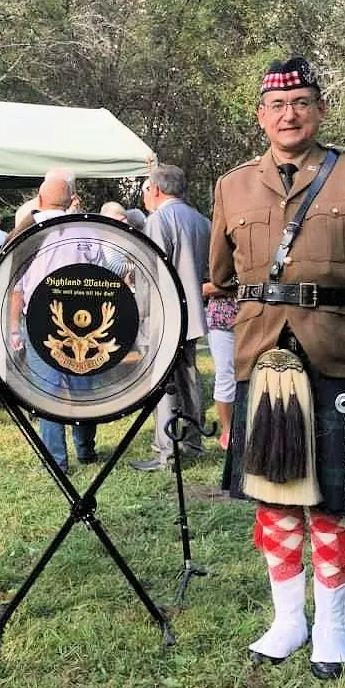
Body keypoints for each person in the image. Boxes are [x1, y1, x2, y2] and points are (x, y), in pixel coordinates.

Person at [210, 55, 345, 679]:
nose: (289, 114)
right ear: (260, 116)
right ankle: (288, 619)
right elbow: (221, 276)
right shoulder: (231, 186)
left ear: (320, 110)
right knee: (272, 496)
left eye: (300, 102)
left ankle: (332, 624)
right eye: (277, 105)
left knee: (330, 495)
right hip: (263, 358)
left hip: (339, 356)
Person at [10, 176, 99, 472]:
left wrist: (14, 328)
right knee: (83, 386)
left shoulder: (28, 233)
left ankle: (56, 460)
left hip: (40, 319)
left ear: (38, 199)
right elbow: (103, 275)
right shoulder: (85, 229)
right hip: (83, 320)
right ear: (71, 199)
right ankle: (86, 449)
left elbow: (17, 288)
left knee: (48, 392)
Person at [130, 165, 210, 471]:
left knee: (164, 383)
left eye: (146, 190)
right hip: (193, 312)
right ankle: (193, 443)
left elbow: (153, 273)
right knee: (189, 379)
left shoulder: (158, 219)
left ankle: (167, 452)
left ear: (156, 189)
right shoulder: (200, 220)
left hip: (165, 315)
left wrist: (141, 314)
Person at [203, 282, 238, 450]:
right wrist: (241, 284)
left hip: (257, 319)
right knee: (226, 375)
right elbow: (203, 288)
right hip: (222, 320)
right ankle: (228, 430)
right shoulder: (212, 264)